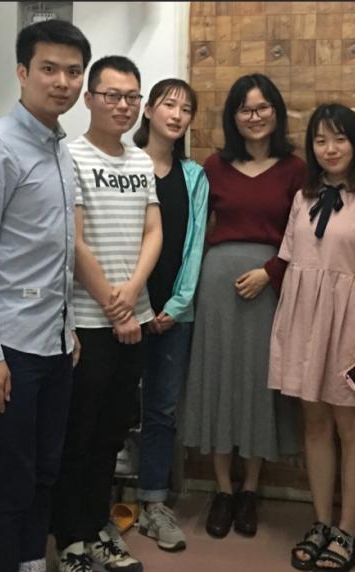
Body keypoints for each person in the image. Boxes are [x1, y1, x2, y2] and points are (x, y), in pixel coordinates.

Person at [0, 19, 89, 572]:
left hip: (52, 344)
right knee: (7, 484)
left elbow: (52, 252)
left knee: (43, 474)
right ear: (22, 73)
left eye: (73, 71)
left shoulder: (59, 149)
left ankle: (31, 564)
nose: (62, 82)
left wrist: (68, 327)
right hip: (5, 350)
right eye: (49, 69)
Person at [180, 73, 304, 539]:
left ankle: (250, 489)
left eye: (262, 107)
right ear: (233, 117)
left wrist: (270, 272)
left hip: (269, 289)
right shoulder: (214, 166)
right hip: (216, 288)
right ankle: (223, 490)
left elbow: (302, 235)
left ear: (276, 112)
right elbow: (197, 228)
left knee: (257, 384)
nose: (254, 117)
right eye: (245, 109)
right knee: (217, 380)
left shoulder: (295, 169)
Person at [51, 56, 160, 572]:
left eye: (132, 97)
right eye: (112, 95)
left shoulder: (141, 162)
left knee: (111, 437)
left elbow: (153, 231)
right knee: (78, 435)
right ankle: (70, 540)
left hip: (134, 320)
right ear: (90, 98)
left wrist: (132, 294)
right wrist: (114, 309)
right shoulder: (69, 156)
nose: (123, 105)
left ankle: (98, 529)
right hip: (88, 324)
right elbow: (73, 242)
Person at [272, 103, 355, 572]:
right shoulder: (303, 198)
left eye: (339, 138)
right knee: (315, 425)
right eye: (320, 140)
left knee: (352, 427)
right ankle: (321, 522)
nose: (330, 148)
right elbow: (292, 262)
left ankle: (347, 529)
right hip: (304, 320)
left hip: (350, 324)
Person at [130, 78, 208, 552]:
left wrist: (176, 306)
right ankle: (95, 504)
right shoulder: (124, 165)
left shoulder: (194, 176)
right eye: (168, 105)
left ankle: (153, 503)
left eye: (186, 109)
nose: (177, 115)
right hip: (124, 312)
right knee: (111, 409)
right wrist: (134, 306)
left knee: (162, 410)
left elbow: (194, 245)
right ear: (149, 110)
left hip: (174, 315)